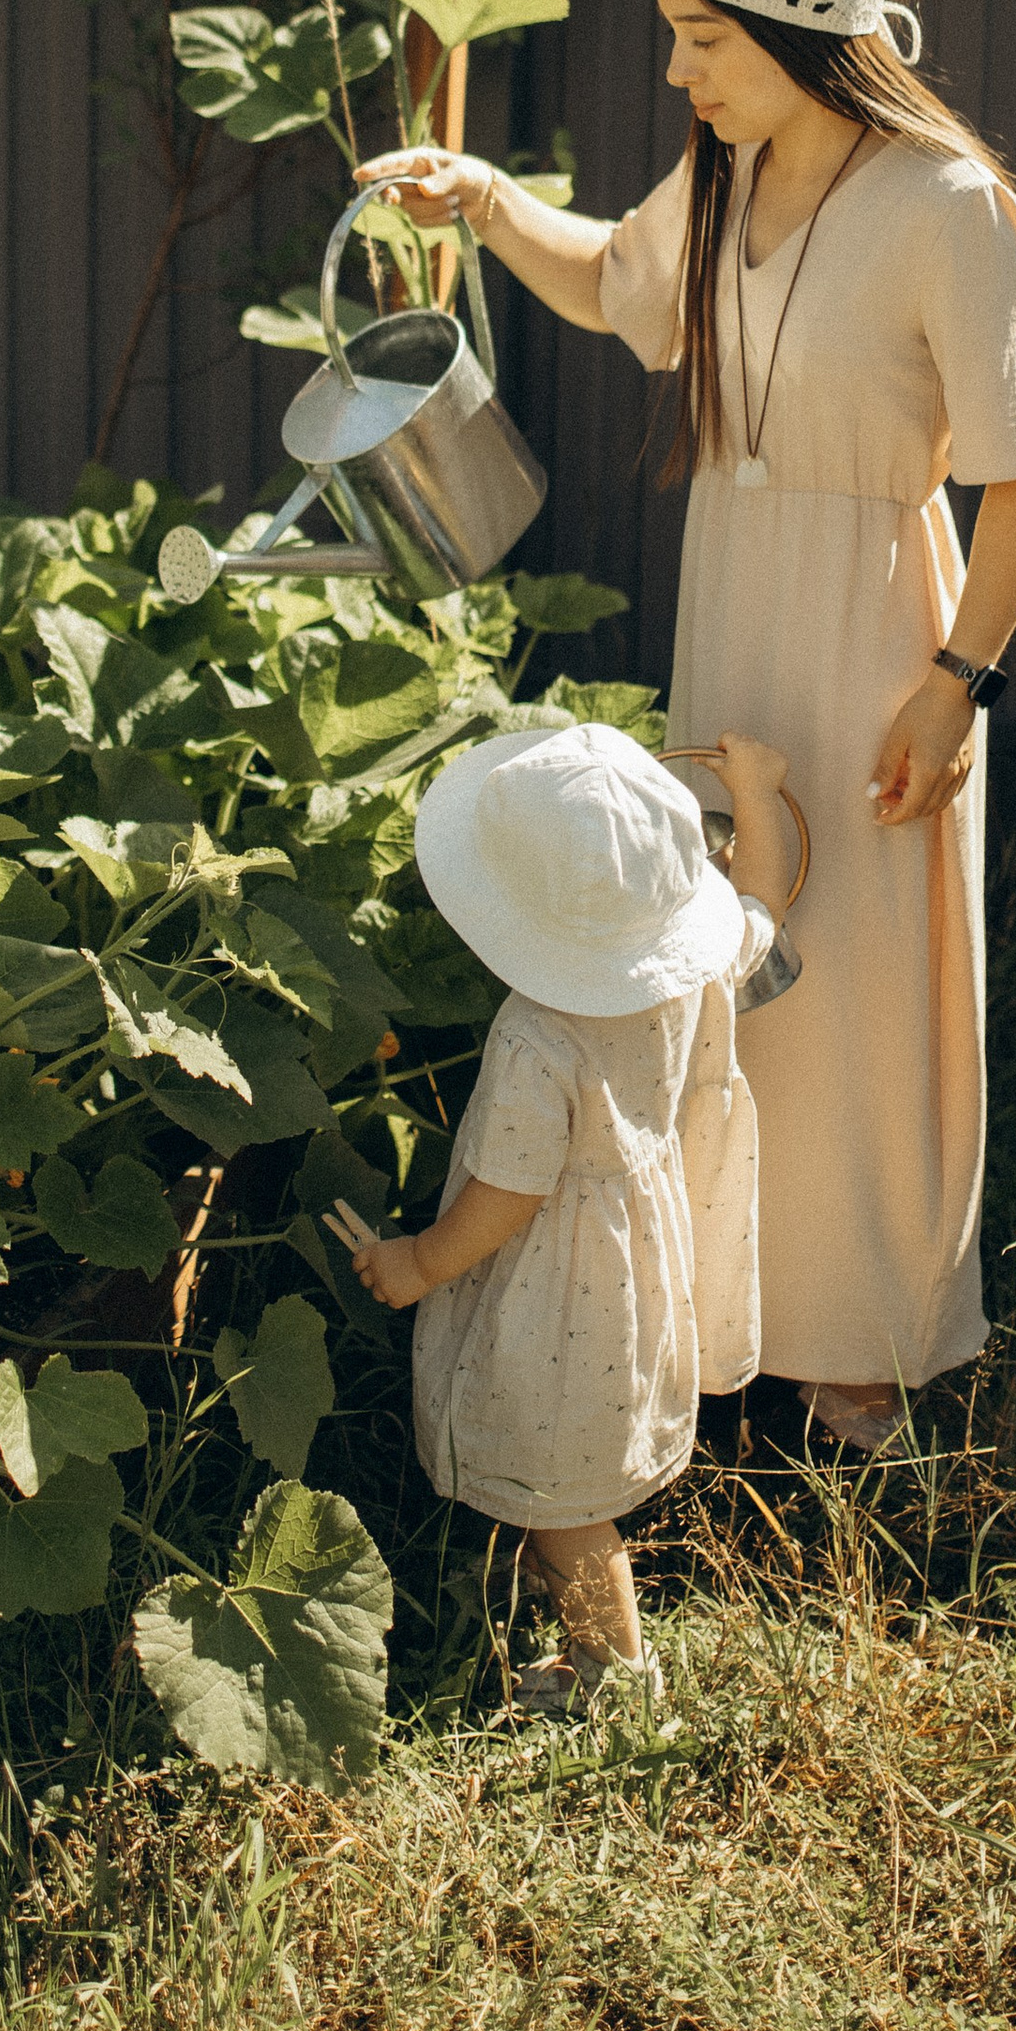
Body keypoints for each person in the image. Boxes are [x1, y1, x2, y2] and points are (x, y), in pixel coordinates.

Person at [360, 0, 1016, 1452]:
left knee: (862, 985)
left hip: (882, 638)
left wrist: (953, 687)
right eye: (677, 34)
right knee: (730, 976)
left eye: (704, 37)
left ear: (801, 33)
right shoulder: (724, 178)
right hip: (735, 606)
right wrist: (481, 202)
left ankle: (866, 1347)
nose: (679, 69)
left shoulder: (952, 209)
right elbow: (615, 282)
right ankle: (739, 1308)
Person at [329, 719, 796, 1705]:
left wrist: (418, 1260)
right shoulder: (691, 963)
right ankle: (563, 1594)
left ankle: (613, 1674)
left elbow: (509, 1190)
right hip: (635, 1248)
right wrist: (754, 790)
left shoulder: (537, 1039)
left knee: (563, 1500)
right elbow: (762, 897)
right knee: (577, 1446)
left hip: (551, 1279)